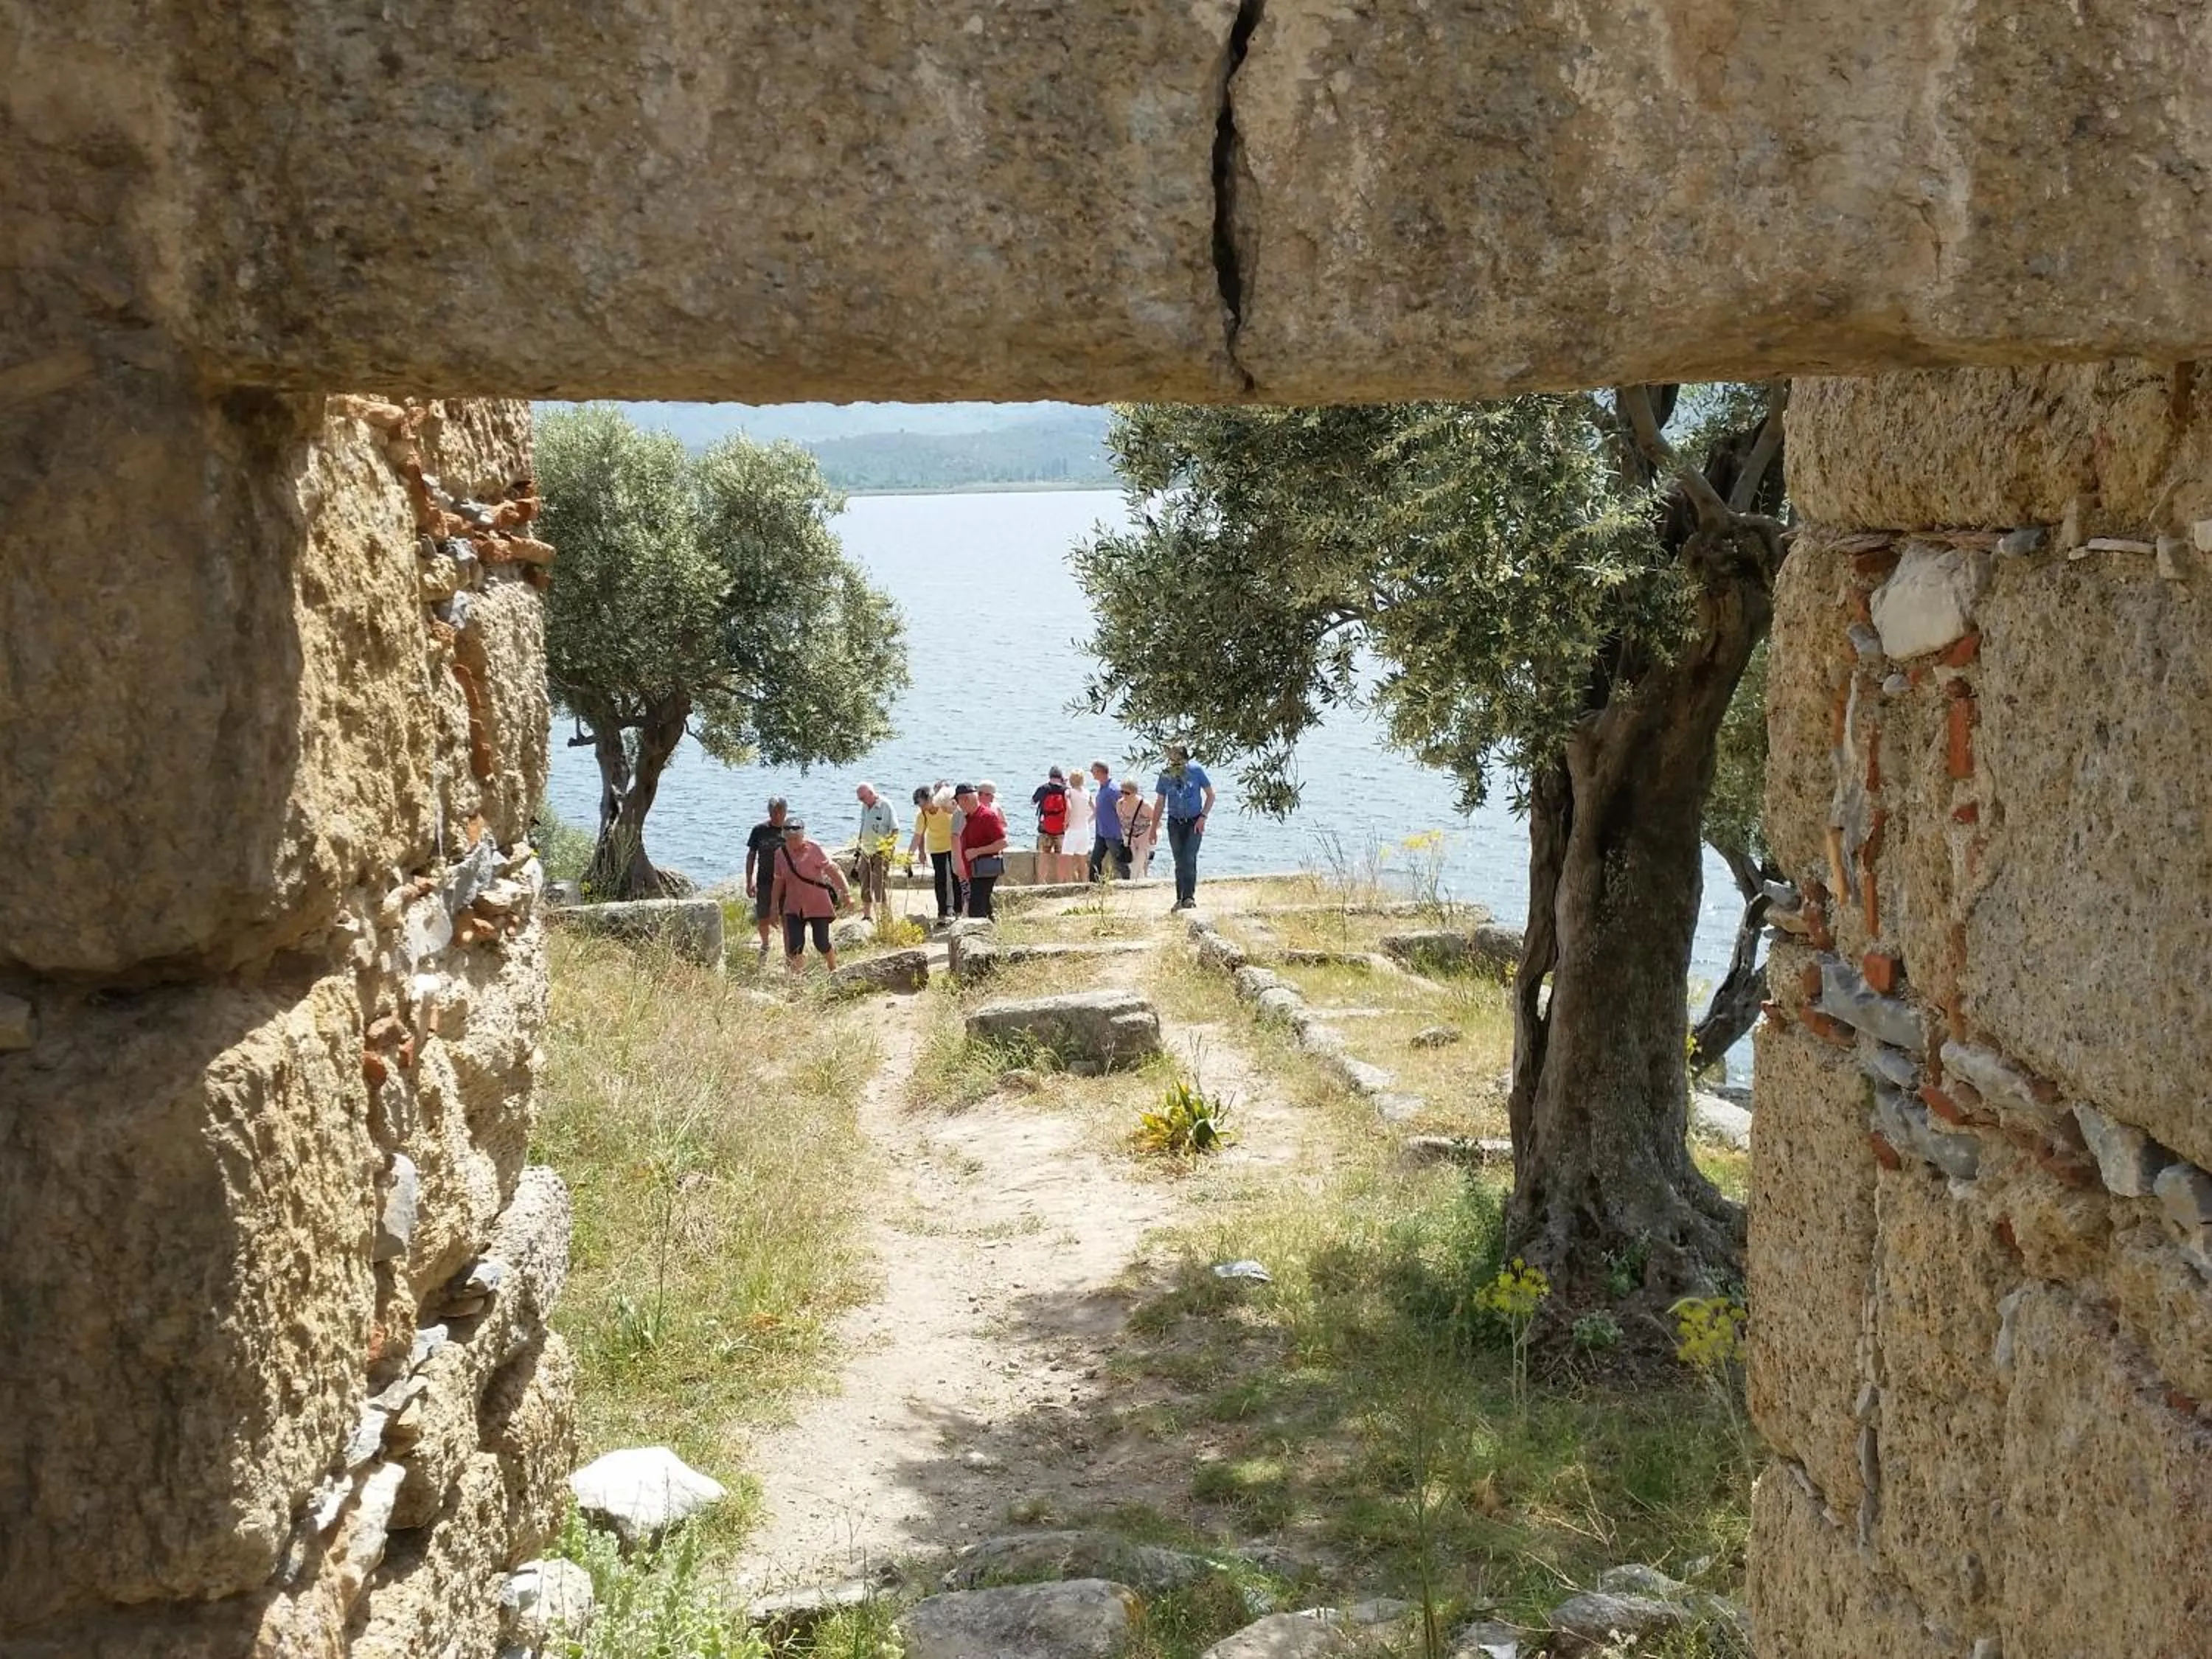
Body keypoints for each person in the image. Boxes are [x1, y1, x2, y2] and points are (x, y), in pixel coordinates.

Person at [768, 815, 852, 975]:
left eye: (796, 838)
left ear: (802, 836)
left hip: (817, 904)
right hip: (793, 905)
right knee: (795, 945)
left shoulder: (814, 849)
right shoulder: (780, 854)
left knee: (821, 943)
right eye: (789, 839)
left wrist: (846, 893)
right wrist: (773, 907)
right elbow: (778, 881)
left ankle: (833, 968)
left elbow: (832, 871)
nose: (793, 842)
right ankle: (798, 978)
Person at [1151, 743, 1215, 911]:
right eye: (1171, 758)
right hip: (1174, 822)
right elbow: (1159, 802)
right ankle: (1179, 898)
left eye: (1176, 758)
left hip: (1194, 821)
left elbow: (1210, 795)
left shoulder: (1196, 771)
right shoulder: (1166, 775)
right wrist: (1153, 828)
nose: (1174, 762)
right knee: (1179, 861)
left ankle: (1189, 897)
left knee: (1189, 857)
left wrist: (1203, 817)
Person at [953, 781, 1009, 919]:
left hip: (985, 868)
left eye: (958, 801)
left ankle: (978, 936)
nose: (958, 805)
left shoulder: (987, 816)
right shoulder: (969, 817)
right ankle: (992, 930)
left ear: (965, 799)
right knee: (983, 905)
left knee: (976, 908)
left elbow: (1003, 843)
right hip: (974, 870)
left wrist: (977, 851)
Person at [742, 796, 790, 957]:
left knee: (787, 916)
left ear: (785, 812)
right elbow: (751, 855)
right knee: (763, 915)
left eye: (780, 812)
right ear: (769, 812)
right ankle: (765, 944)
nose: (776, 816)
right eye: (773, 812)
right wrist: (749, 881)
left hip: (786, 882)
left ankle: (788, 947)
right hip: (764, 880)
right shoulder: (759, 830)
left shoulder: (791, 830)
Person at [910, 784, 960, 922]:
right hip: (936, 848)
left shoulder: (945, 807)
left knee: (956, 878)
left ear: (930, 798)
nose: (921, 807)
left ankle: (958, 912)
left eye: (922, 804)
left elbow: (958, 814)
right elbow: (918, 836)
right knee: (940, 880)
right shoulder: (922, 815)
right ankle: (942, 914)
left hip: (952, 846)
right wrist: (915, 853)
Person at [853, 782, 900, 922]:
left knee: (879, 883)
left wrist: (887, 848)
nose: (861, 801)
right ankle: (867, 916)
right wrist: (859, 844)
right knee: (865, 882)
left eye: (862, 798)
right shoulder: (865, 806)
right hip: (866, 850)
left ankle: (885, 917)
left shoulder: (885, 805)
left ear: (871, 794)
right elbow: (863, 825)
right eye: (859, 799)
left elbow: (895, 830)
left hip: (881, 850)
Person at [1086, 759, 1130, 882]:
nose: (1091, 773)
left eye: (1093, 770)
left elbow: (1123, 810)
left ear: (1100, 772)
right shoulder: (1103, 788)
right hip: (1101, 833)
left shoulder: (1113, 790)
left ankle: (1129, 884)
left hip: (1113, 834)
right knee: (1095, 861)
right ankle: (1094, 886)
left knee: (1119, 863)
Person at [1031, 766, 1071, 884]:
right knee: (1060, 858)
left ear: (1050, 776)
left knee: (1044, 857)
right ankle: (1060, 882)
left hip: (1045, 829)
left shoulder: (1043, 788)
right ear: (1061, 777)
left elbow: (1033, 802)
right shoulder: (1065, 790)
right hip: (1061, 829)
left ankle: (1041, 882)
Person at [1118, 778, 1156, 879]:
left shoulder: (1145, 806)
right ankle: (1141, 880)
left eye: (1127, 793)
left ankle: (1135, 884)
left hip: (1145, 836)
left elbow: (1157, 822)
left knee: (1138, 863)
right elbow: (1121, 820)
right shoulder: (1120, 804)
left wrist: (1153, 835)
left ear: (1135, 793)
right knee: (1132, 862)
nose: (1124, 796)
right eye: (1122, 792)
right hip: (1129, 837)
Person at [1062, 762, 1094, 884]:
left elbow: (1069, 809)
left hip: (1073, 829)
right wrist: (1088, 821)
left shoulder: (1069, 792)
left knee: (1068, 859)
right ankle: (1085, 883)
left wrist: (1066, 823)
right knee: (1082, 860)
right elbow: (1095, 810)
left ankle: (1070, 884)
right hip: (1084, 829)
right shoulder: (1087, 793)